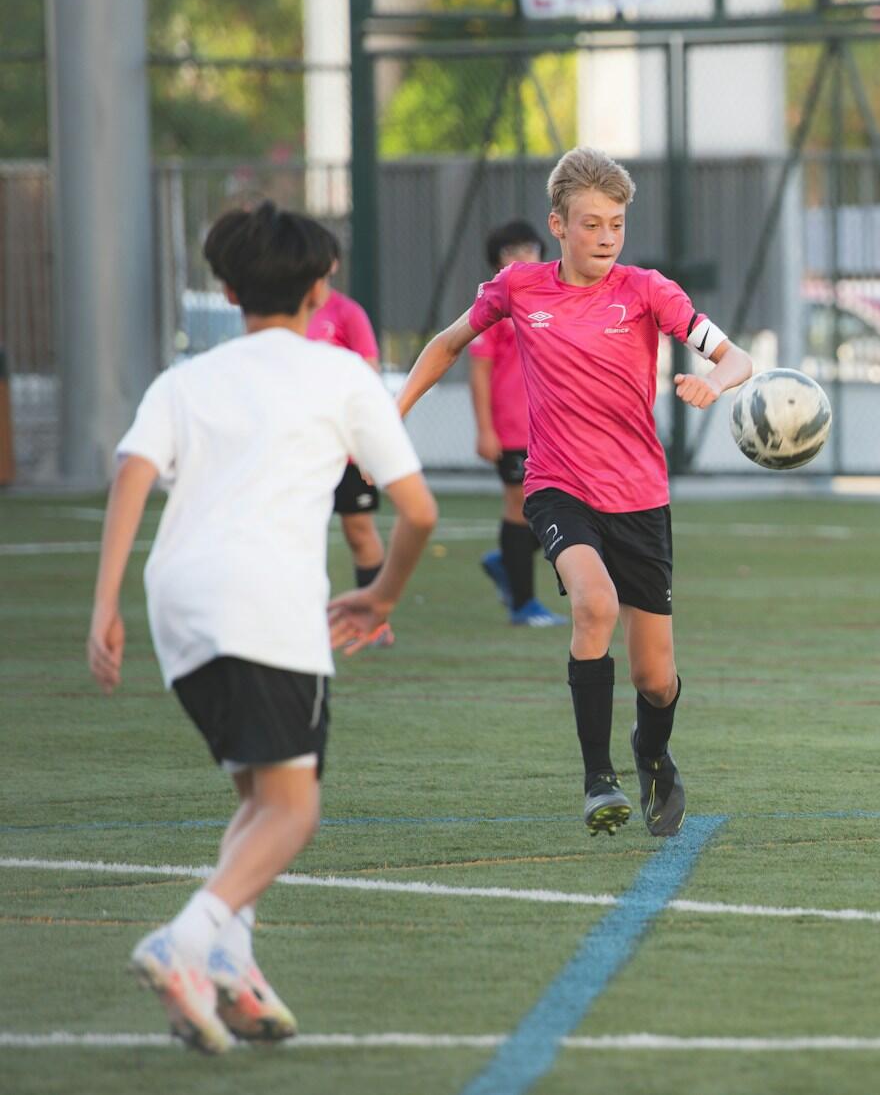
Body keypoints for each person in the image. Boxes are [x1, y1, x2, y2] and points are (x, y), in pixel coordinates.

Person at [89, 202, 437, 1053]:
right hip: (266, 599)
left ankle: (232, 964)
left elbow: (133, 474)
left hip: (178, 600)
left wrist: (105, 604)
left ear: (227, 287)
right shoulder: (341, 375)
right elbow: (418, 513)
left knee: (257, 793)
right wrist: (383, 596)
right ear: (322, 289)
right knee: (295, 810)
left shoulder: (184, 379)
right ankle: (186, 939)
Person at [397, 147, 751, 838]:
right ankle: (598, 780)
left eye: (616, 224)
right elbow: (445, 344)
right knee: (593, 605)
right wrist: (392, 413)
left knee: (656, 678)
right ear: (558, 224)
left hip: (641, 497)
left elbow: (733, 354)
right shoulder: (518, 287)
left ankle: (650, 752)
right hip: (558, 486)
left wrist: (718, 381)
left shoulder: (648, 289)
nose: (606, 238)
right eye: (591, 225)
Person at [303, 236, 394, 646]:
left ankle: (374, 617)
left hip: (343, 445)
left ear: (333, 265)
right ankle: (297, 618)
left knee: (359, 529)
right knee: (298, 531)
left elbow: (368, 378)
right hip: (300, 447)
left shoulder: (347, 313)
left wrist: (367, 444)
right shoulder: (281, 315)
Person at [471, 219, 563, 626]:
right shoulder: (494, 307)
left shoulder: (554, 302)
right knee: (520, 507)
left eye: (529, 247)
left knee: (566, 506)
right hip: (513, 428)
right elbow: (479, 372)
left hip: (553, 429)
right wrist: (485, 429)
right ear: (497, 264)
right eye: (511, 252)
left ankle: (506, 559)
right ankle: (524, 605)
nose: (523, 257)